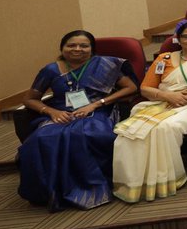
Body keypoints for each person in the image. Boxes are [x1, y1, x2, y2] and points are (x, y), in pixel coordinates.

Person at [113, 21, 187, 202]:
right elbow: (145, 88)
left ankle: (167, 178)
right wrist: (168, 96)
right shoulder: (164, 58)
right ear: (178, 38)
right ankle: (136, 181)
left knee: (167, 127)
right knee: (129, 133)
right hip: (163, 102)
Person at [18, 31, 137, 211]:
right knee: (40, 139)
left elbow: (131, 87)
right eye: (71, 45)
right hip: (61, 112)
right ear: (62, 48)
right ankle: (48, 192)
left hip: (97, 110)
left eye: (84, 46)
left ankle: (91, 188)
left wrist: (97, 103)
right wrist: (51, 111)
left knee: (88, 134)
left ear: (92, 49)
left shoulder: (105, 64)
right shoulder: (50, 70)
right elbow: (29, 99)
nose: (77, 49)